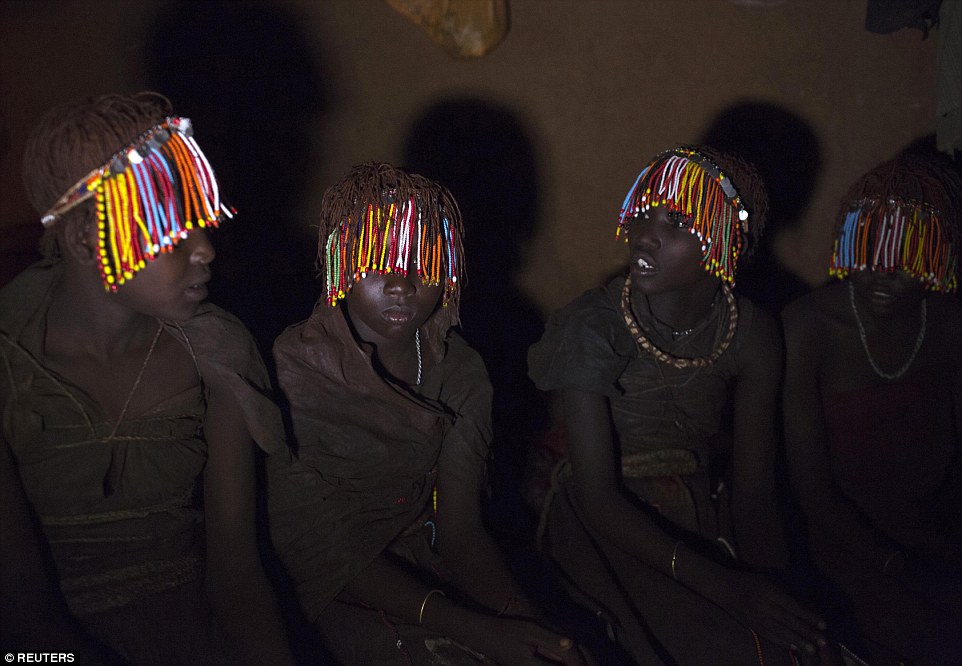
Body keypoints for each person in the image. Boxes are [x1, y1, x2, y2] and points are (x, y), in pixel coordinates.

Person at [0, 93, 295, 666]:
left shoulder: (216, 351)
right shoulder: (11, 369)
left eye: (200, 223)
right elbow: (23, 613)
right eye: (173, 231)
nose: (205, 249)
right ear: (85, 239)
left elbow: (236, 574)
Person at [267, 162, 591, 665]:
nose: (401, 284)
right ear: (339, 260)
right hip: (321, 589)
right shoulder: (295, 370)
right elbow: (317, 549)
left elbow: (460, 531)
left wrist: (529, 626)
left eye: (423, 263)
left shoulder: (460, 371)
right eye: (377, 261)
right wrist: (476, 628)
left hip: (430, 567)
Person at [527, 146, 831, 665]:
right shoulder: (593, 325)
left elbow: (754, 496)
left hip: (697, 512)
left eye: (677, 222)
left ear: (726, 240)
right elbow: (598, 498)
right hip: (601, 528)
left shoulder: (751, 333)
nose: (644, 234)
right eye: (643, 214)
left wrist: (778, 596)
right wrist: (730, 590)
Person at [782, 152, 962, 665]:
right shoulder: (808, 327)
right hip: (841, 545)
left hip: (931, 534)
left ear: (938, 257)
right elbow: (813, 493)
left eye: (904, 257)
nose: (882, 274)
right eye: (867, 251)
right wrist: (900, 567)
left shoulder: (948, 322)